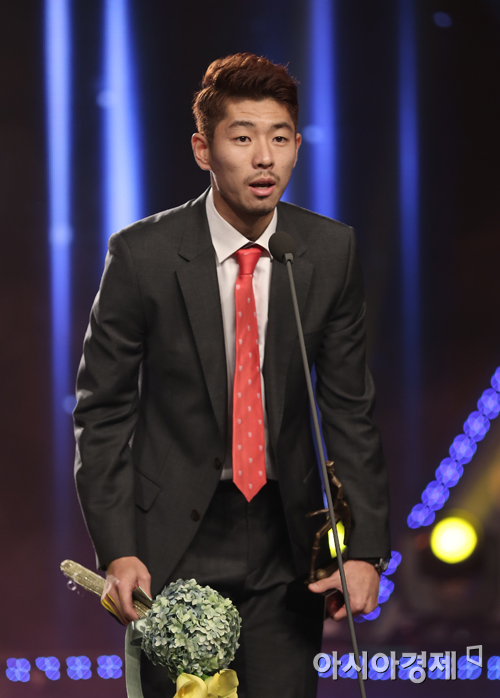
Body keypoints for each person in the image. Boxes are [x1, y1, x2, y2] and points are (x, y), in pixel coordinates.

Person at [74, 53, 390, 698]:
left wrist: (364, 550)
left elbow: (349, 408)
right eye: (242, 138)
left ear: (297, 147)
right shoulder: (141, 255)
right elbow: (101, 412)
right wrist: (118, 549)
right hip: (170, 543)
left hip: (285, 541)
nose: (264, 158)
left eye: (280, 138)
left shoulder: (329, 251)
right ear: (204, 150)